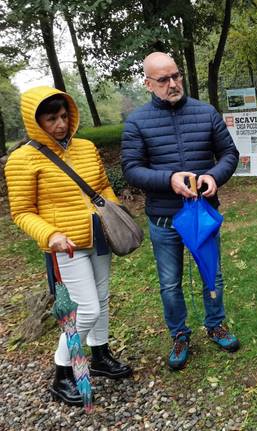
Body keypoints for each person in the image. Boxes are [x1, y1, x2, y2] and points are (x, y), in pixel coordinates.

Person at [5, 87, 132, 407]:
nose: (60, 124)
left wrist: (112, 213)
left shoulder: (86, 147)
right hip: (66, 245)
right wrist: (50, 236)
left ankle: (100, 356)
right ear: (36, 121)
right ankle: (62, 375)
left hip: (99, 234)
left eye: (64, 116)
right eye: (51, 119)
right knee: (85, 308)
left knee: (101, 300)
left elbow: (102, 185)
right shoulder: (22, 159)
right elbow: (21, 212)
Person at [121, 52, 240, 371]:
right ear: (148, 83)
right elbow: (131, 169)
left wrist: (214, 176)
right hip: (164, 217)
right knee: (170, 282)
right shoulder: (137, 121)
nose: (173, 83)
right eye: (164, 79)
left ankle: (215, 324)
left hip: (202, 213)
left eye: (176, 76)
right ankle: (179, 334)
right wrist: (168, 180)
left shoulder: (206, 112)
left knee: (211, 273)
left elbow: (229, 153)